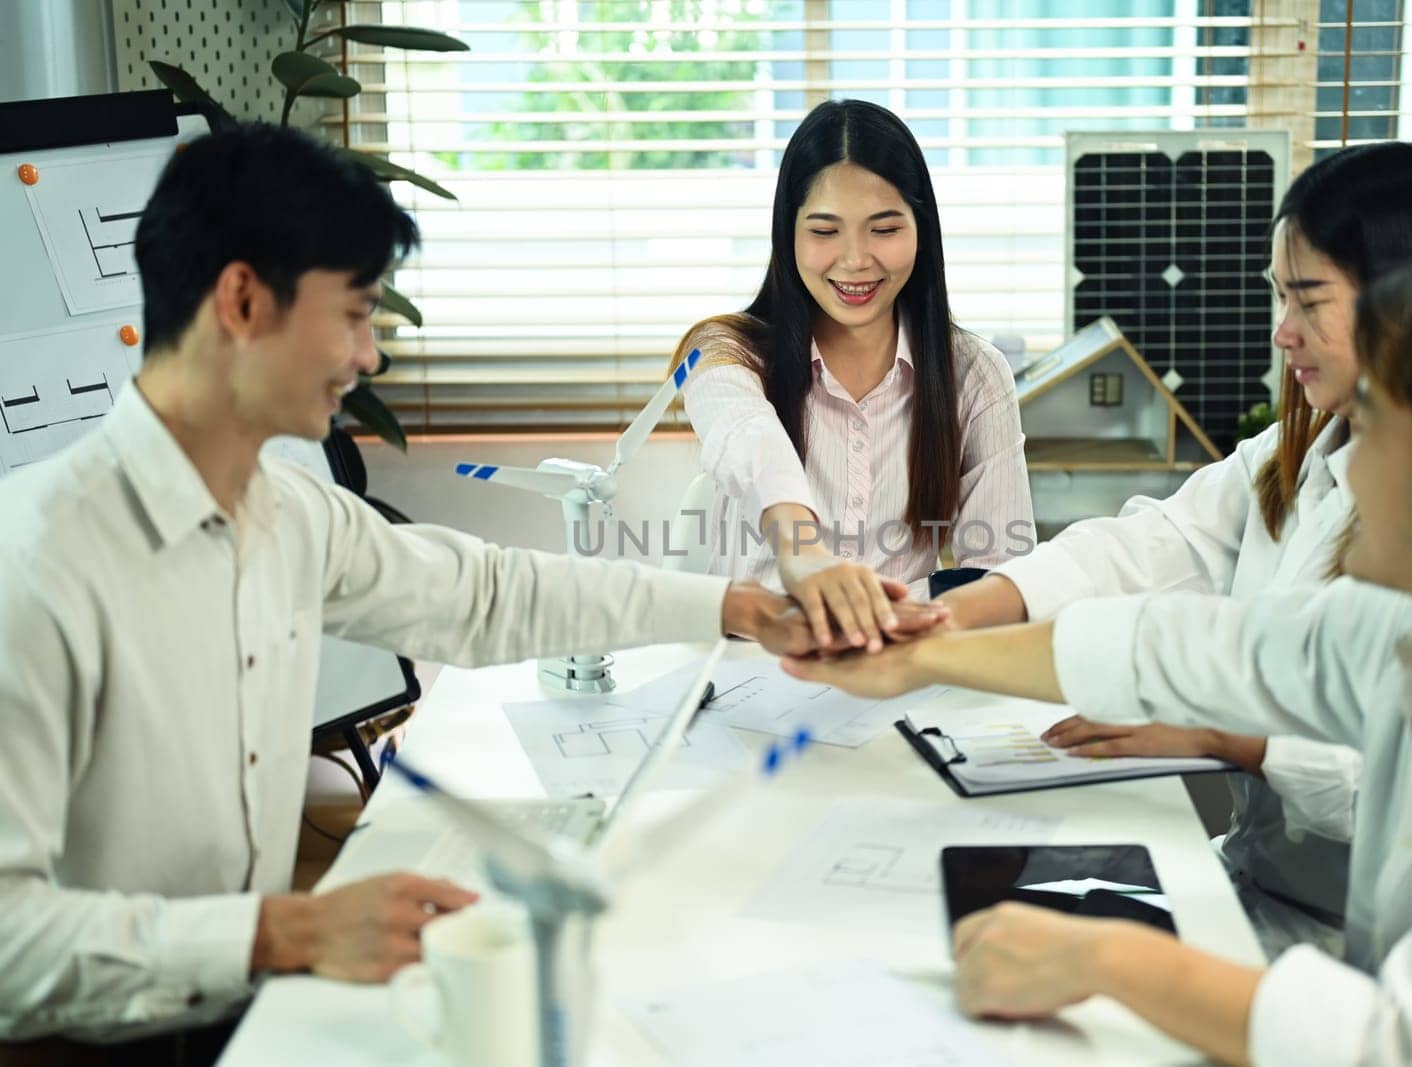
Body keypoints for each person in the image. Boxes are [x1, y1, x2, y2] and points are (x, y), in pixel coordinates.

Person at [0, 123, 926, 1050]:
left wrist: (738, 610)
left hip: (249, 1005)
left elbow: (486, 595)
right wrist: (284, 928)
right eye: (355, 313)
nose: (368, 357)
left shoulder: (285, 512)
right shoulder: (37, 566)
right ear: (242, 300)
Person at [785, 249, 1412, 1065]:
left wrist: (1102, 956)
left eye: (1374, 424)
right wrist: (929, 653)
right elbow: (1197, 650)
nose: (1340, 461)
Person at [936, 142, 1412, 955]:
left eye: (1309, 301)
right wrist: (970, 606)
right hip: (1248, 891)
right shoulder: (1299, 448)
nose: (1283, 331)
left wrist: (1224, 736)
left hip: (1363, 951)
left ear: (1410, 301)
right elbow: (1151, 544)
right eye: (1278, 297)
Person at [677, 98, 1035, 655]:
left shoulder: (974, 374)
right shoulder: (724, 352)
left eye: (884, 228)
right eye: (824, 231)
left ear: (921, 230)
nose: (855, 260)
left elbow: (998, 573)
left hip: (901, 665)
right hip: (753, 667)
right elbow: (748, 439)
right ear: (787, 234)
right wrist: (805, 555)